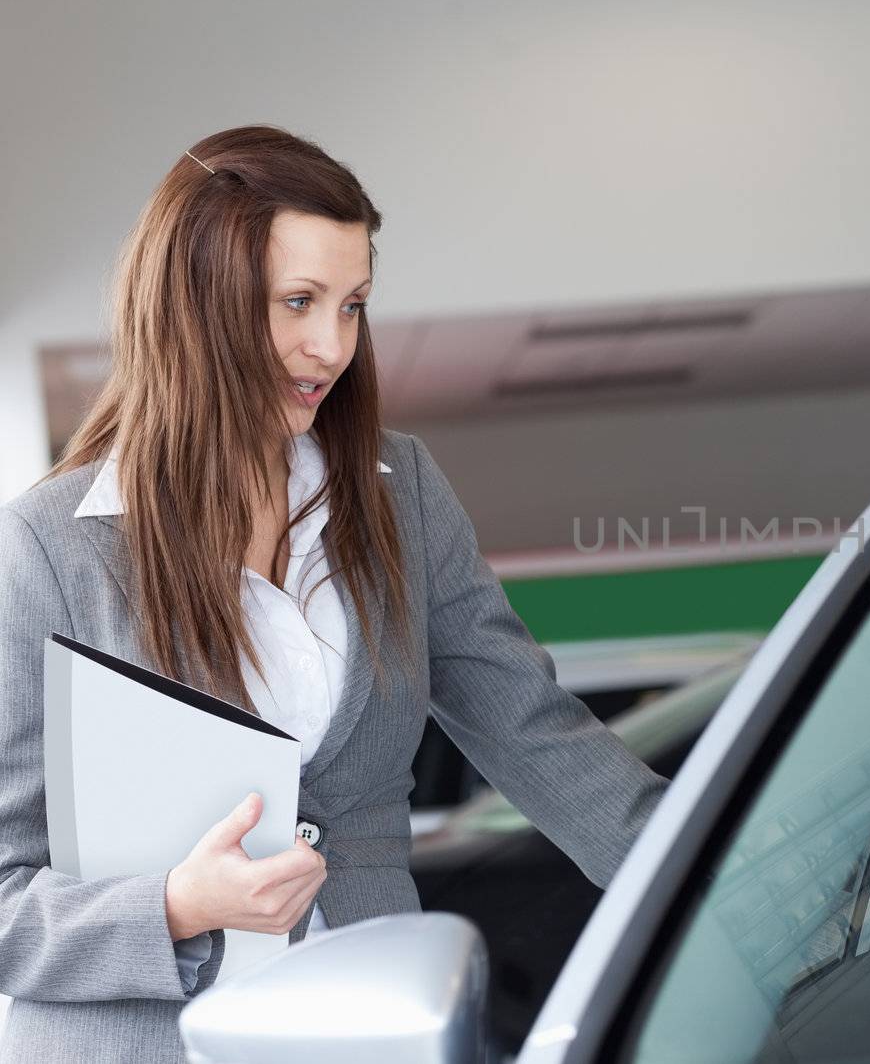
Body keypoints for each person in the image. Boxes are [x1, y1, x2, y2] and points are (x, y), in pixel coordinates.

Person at [0, 126, 668, 1062]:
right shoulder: (47, 549)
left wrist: (722, 879)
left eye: (352, 306)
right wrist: (173, 906)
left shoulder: (402, 493)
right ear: (199, 308)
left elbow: (535, 729)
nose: (331, 346)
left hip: (368, 1026)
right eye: (298, 302)